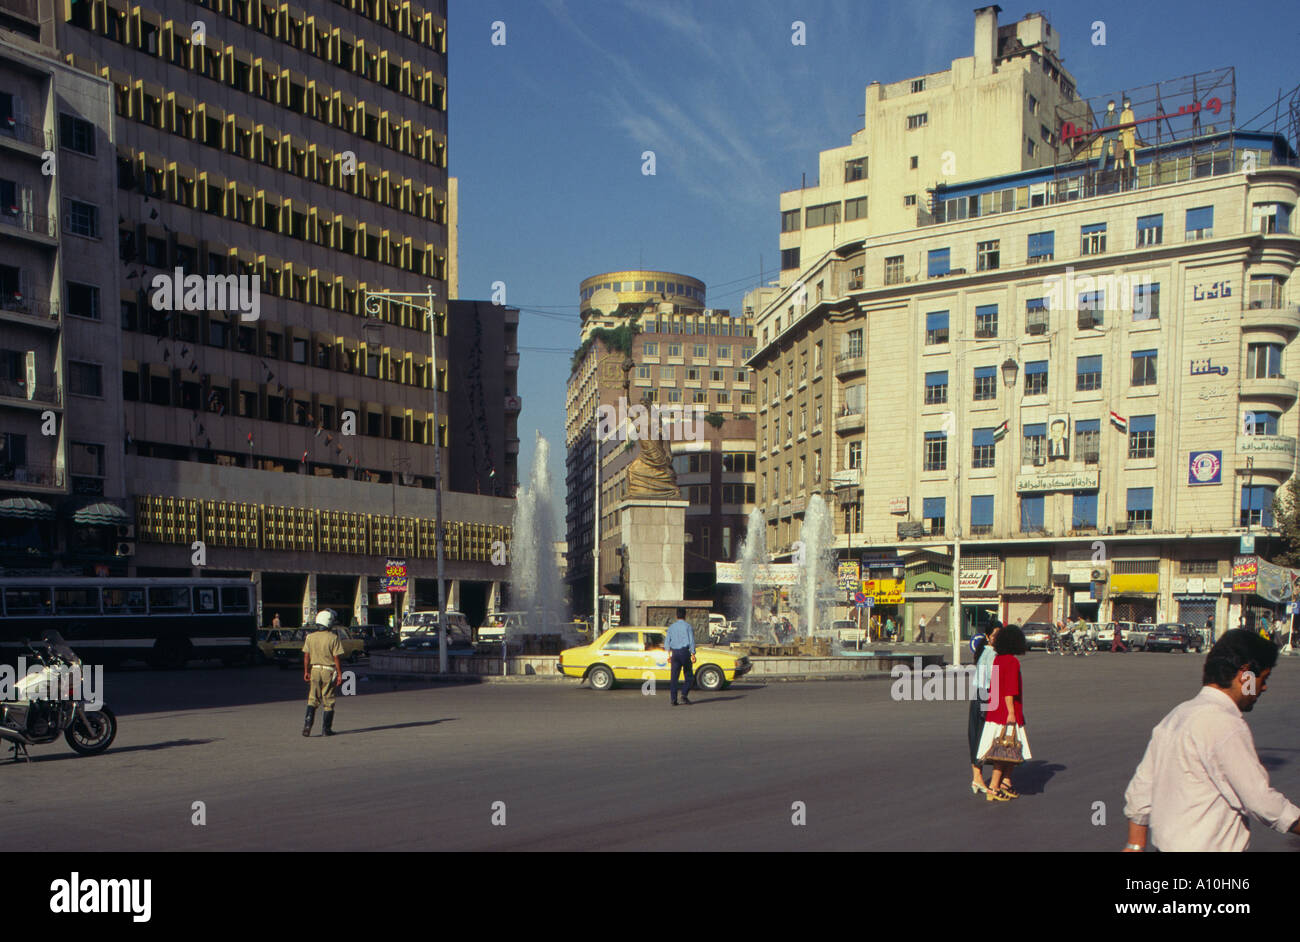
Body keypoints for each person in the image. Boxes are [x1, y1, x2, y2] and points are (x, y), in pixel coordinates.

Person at [1123, 630, 1300, 851]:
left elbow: (1142, 787)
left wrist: (1135, 844)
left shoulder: (1178, 715)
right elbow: (1262, 802)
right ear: (1244, 675)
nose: (1263, 687)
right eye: (1263, 679)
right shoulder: (1225, 724)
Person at [977, 624, 1031, 802]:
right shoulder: (1012, 661)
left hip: (995, 709)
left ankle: (1005, 783)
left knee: (1010, 749)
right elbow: (1009, 690)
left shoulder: (998, 659)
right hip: (1007, 712)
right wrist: (1011, 713)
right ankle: (993, 786)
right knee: (1007, 750)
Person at [969, 622, 1001, 795]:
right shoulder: (992, 654)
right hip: (986, 696)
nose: (997, 637)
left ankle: (977, 777)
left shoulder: (983, 651)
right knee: (983, 737)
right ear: (988, 637)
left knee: (977, 736)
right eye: (995, 634)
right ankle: (978, 778)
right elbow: (991, 680)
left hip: (979, 696)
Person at [302, 610, 343, 737]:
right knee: (328, 699)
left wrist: (306, 671)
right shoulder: (333, 637)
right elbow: (336, 657)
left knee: (312, 699)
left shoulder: (310, 637)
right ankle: (326, 729)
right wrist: (340, 673)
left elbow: (306, 657)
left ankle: (307, 726)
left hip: (314, 669)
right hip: (328, 671)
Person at [665, 607, 696, 706]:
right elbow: (691, 641)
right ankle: (684, 695)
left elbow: (667, 643)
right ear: (685, 615)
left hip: (675, 654)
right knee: (689, 676)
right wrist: (693, 654)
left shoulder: (671, 627)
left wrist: (668, 655)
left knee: (674, 677)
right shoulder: (688, 627)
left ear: (676, 616)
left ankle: (673, 699)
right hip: (684, 653)